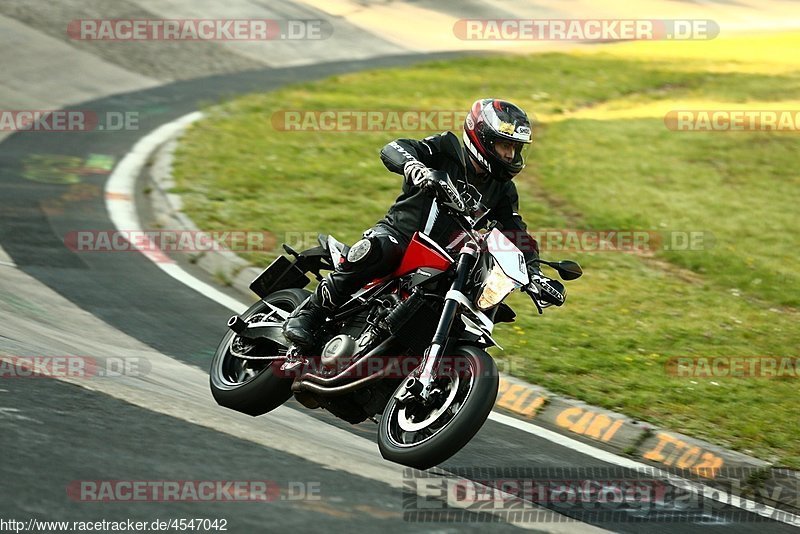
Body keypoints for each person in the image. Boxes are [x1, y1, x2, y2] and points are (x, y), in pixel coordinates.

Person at [282, 98, 557, 348]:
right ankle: (310, 312)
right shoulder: (446, 150)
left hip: (446, 260)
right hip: (402, 235)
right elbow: (395, 147)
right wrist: (416, 167)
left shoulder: (503, 190)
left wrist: (534, 274)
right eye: (505, 145)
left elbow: (516, 232)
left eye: (514, 148)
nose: (510, 155)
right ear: (482, 137)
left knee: (475, 297)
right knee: (380, 249)